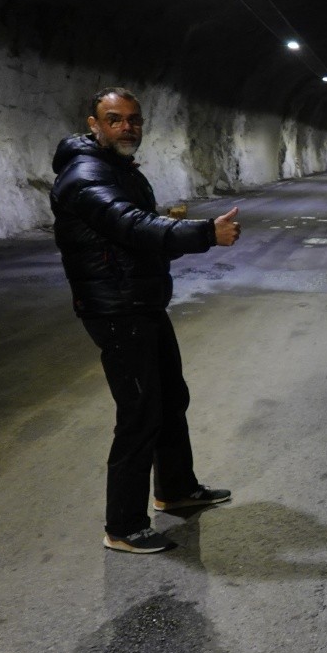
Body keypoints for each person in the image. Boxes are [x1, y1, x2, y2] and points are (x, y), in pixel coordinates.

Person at [50, 87, 242, 554]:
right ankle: (123, 526)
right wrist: (202, 234)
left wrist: (170, 233)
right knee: (139, 414)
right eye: (114, 119)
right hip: (115, 309)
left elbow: (135, 231)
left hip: (140, 300)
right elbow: (130, 225)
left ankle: (175, 490)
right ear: (93, 124)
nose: (127, 128)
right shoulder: (85, 175)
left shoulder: (115, 167)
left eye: (133, 120)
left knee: (170, 398)